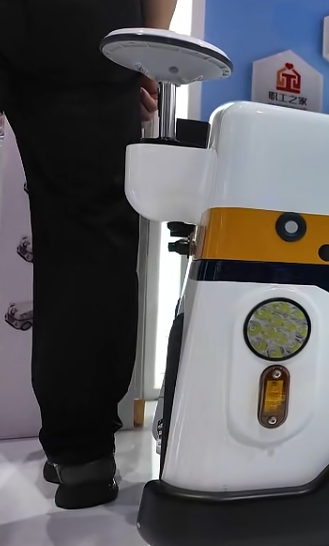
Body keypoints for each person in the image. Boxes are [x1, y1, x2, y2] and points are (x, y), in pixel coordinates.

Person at [0, 0, 178, 509]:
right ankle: (81, 452)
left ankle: (72, 440)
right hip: (78, 25)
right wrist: (145, 55)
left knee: (74, 235)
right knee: (87, 236)